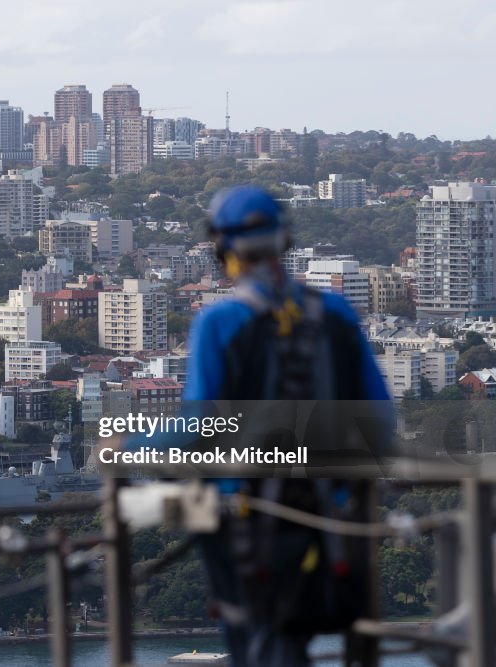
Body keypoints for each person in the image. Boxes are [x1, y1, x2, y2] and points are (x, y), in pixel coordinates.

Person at [124, 185, 392, 666]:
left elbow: (194, 427)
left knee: (260, 644)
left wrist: (126, 447)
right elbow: (381, 424)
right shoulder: (335, 314)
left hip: (244, 528)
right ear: (284, 241)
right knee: (293, 640)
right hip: (327, 521)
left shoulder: (221, 322)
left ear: (223, 251)